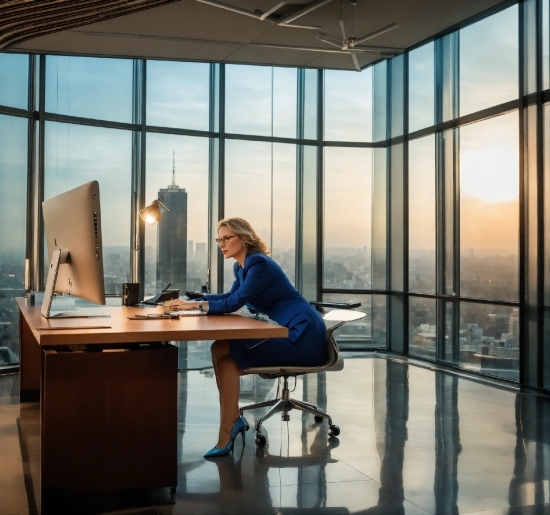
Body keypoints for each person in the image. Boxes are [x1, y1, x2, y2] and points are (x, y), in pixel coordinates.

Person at [170, 217, 328, 457]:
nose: (221, 244)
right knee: (219, 348)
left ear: (242, 239)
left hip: (301, 334)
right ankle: (232, 421)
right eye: (218, 239)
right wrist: (190, 303)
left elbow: (234, 302)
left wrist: (195, 306)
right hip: (290, 328)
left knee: (228, 357)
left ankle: (228, 429)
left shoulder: (258, 264)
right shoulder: (241, 267)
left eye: (226, 238)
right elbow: (229, 295)